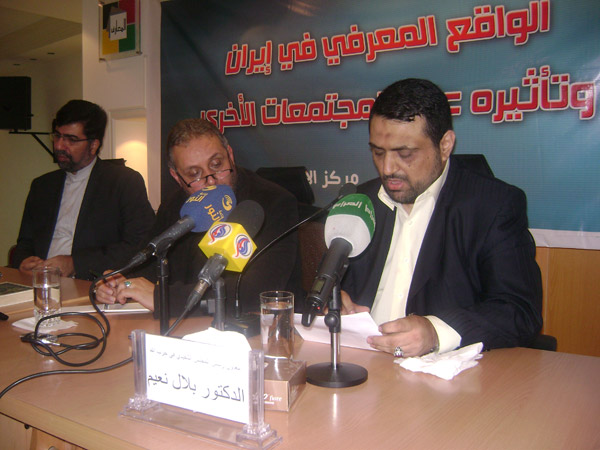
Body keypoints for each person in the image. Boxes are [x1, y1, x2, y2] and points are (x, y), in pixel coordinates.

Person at [340, 78, 543, 357]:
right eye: (378, 152)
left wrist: (436, 332)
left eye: (405, 154)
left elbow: (520, 312)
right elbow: (333, 287)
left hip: (442, 374)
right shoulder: (360, 202)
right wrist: (335, 303)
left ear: (445, 145)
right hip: (360, 363)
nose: (387, 168)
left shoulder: (493, 206)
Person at [96, 118, 299, 317]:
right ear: (177, 177)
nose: (211, 181)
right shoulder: (175, 205)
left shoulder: (274, 202)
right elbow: (149, 267)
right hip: (188, 327)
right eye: (194, 174)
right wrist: (120, 283)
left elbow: (257, 292)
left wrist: (163, 299)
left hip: (261, 327)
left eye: (217, 164)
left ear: (230, 155)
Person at [12, 100, 155, 280]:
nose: (59, 146)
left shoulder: (123, 182)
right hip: (40, 282)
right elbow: (24, 243)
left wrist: (75, 264)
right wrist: (24, 261)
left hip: (89, 283)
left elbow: (140, 246)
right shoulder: (42, 186)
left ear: (93, 145)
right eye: (57, 136)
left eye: (71, 140)